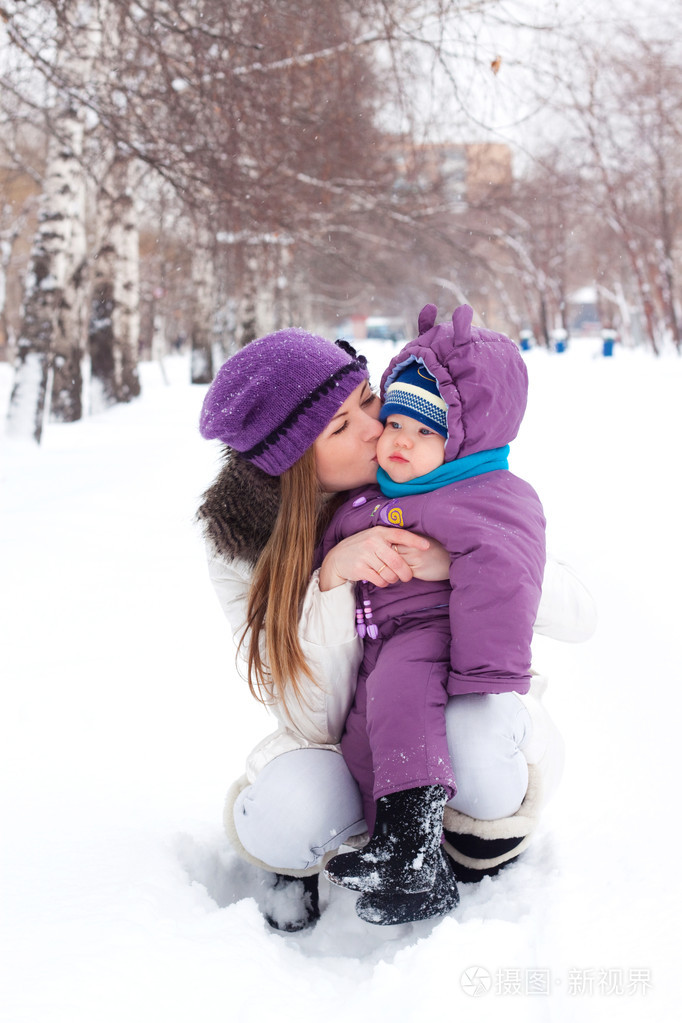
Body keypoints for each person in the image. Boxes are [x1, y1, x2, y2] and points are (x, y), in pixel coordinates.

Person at [197, 322, 596, 931]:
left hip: (463, 712)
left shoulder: (437, 464)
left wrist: (458, 561)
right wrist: (331, 581)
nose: (375, 428)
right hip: (347, 738)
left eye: (367, 399)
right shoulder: (243, 549)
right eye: (340, 427)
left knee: (476, 736)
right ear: (295, 464)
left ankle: (473, 843)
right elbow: (310, 716)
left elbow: (579, 614)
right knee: (285, 813)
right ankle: (335, 851)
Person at [319, 303, 545, 923]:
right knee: (365, 738)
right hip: (380, 642)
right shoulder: (374, 495)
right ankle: (402, 856)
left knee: (400, 703)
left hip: (432, 634)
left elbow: (506, 575)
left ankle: (411, 849)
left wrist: (483, 673)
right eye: (394, 422)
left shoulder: (483, 496)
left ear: (463, 441)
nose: (399, 440)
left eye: (425, 432)